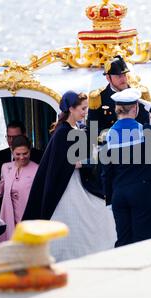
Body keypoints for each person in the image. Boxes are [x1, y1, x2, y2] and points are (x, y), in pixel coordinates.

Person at [23, 91, 117, 262]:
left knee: (100, 214)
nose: (85, 112)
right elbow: (64, 162)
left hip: (79, 182)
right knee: (82, 219)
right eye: (82, 108)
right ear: (71, 109)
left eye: (86, 108)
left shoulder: (74, 129)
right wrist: (87, 161)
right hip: (68, 187)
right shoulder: (63, 133)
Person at [101, 88, 151, 247]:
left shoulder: (109, 135)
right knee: (142, 243)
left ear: (117, 109)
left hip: (119, 193)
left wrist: (110, 198)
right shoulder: (145, 131)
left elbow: (106, 172)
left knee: (123, 241)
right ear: (135, 108)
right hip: (142, 192)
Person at [88, 55, 151, 136]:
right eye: (119, 76)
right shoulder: (98, 97)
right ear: (108, 78)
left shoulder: (138, 93)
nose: (123, 79)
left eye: (125, 75)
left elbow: (145, 124)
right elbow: (92, 128)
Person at [0, 135, 38, 242]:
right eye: (18, 154)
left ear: (30, 151)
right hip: (9, 216)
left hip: (28, 217)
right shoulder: (5, 167)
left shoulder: (37, 169)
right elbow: (0, 188)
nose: (22, 157)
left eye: (25, 153)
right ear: (12, 151)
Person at [0, 121, 43, 218]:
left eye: (15, 137)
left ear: (24, 135)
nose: (11, 141)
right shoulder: (0, 157)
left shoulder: (38, 156)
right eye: (9, 137)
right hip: (8, 213)